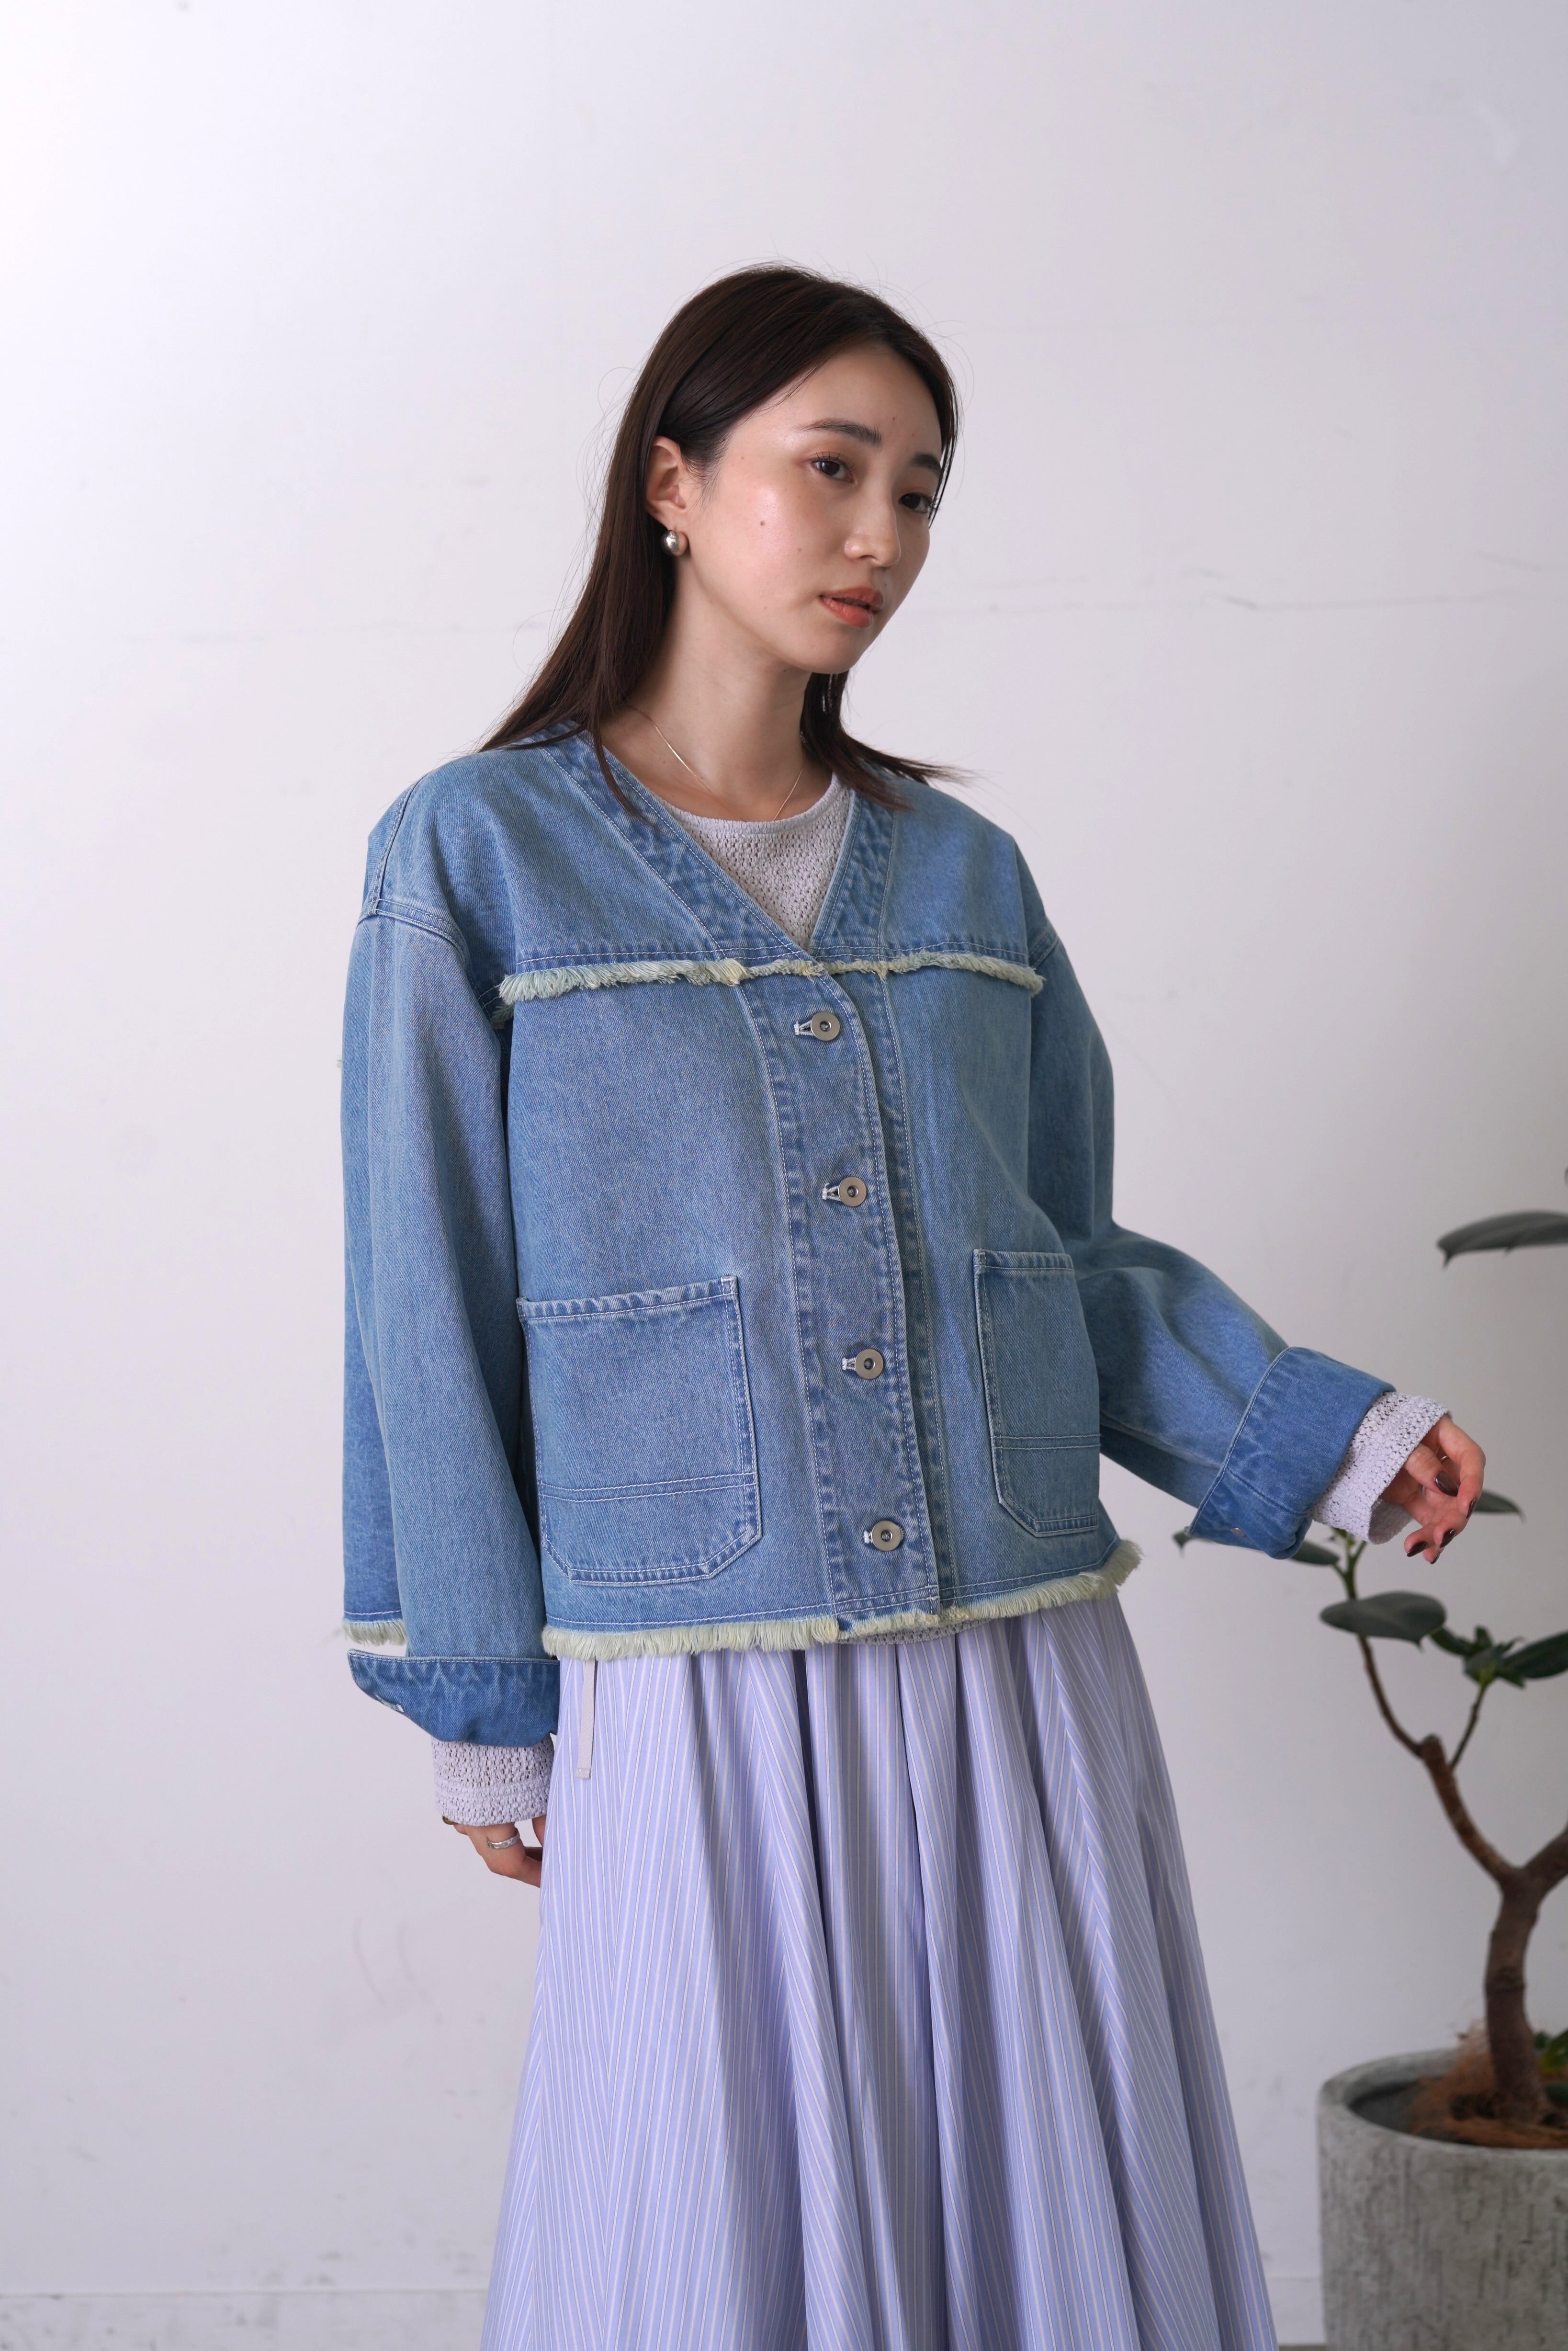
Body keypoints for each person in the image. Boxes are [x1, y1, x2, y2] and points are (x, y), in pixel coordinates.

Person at [339, 266, 1483, 2351]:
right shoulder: (475, 853)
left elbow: (1048, 1252)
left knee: (1038, 2188)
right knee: (714, 2210)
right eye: (832, 468)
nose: (882, 534)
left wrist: (1331, 1427)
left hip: (1009, 1651)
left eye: (923, 490)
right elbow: (426, 1301)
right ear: (672, 485)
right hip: (695, 1672)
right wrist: (484, 1699)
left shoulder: (966, 875)